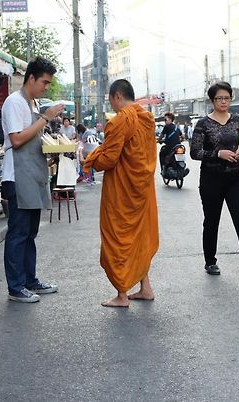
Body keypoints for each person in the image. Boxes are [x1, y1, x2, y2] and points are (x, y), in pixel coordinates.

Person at [83, 79, 159, 307]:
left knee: (119, 239)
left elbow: (108, 159)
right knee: (140, 240)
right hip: (143, 189)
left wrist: (91, 158)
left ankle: (122, 295)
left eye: (111, 100)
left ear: (117, 96)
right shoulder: (147, 119)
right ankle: (145, 288)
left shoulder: (119, 122)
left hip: (121, 191)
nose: (112, 106)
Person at [1, 57, 65, 303]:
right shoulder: (14, 102)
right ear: (31, 78)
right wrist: (45, 118)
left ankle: (29, 280)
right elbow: (16, 139)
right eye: (44, 82)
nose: (46, 87)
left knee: (30, 232)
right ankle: (15, 287)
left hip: (32, 174)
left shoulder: (30, 103)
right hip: (17, 175)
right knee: (18, 233)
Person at [190, 81, 239, 281]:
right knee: (211, 222)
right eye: (219, 98)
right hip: (211, 180)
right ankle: (210, 261)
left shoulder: (238, 121)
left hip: (235, 179)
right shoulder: (203, 124)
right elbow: (195, 152)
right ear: (212, 100)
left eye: (226, 98)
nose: (223, 102)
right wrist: (218, 153)